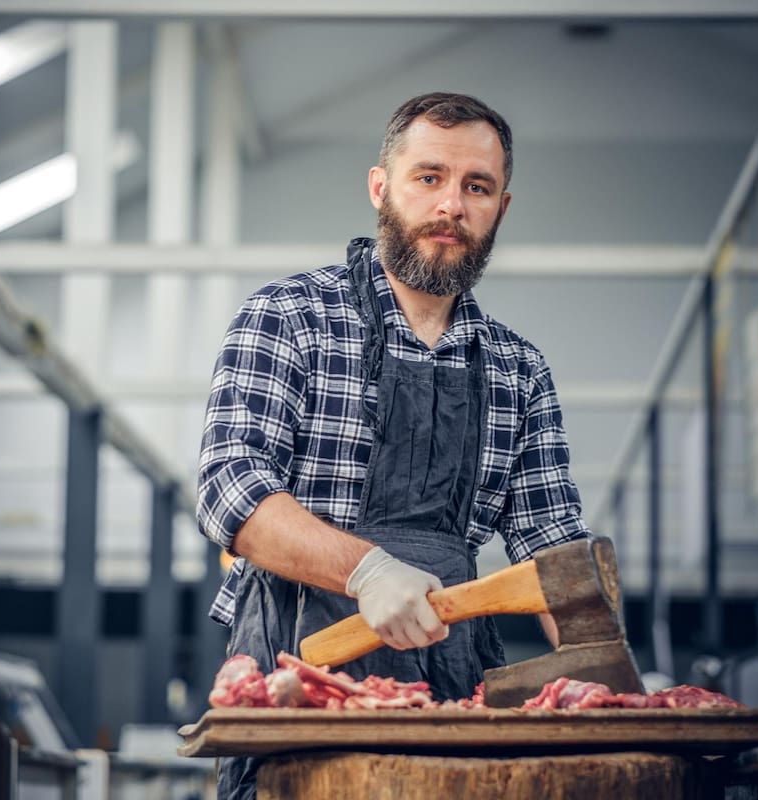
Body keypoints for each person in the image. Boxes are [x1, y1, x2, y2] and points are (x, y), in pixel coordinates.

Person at [197, 92, 591, 799]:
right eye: (428, 177)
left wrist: (606, 674)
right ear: (380, 187)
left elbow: (553, 548)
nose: (451, 205)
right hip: (296, 685)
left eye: (477, 187)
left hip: (449, 693)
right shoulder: (289, 318)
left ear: (501, 208)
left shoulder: (519, 369)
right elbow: (232, 488)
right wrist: (367, 572)